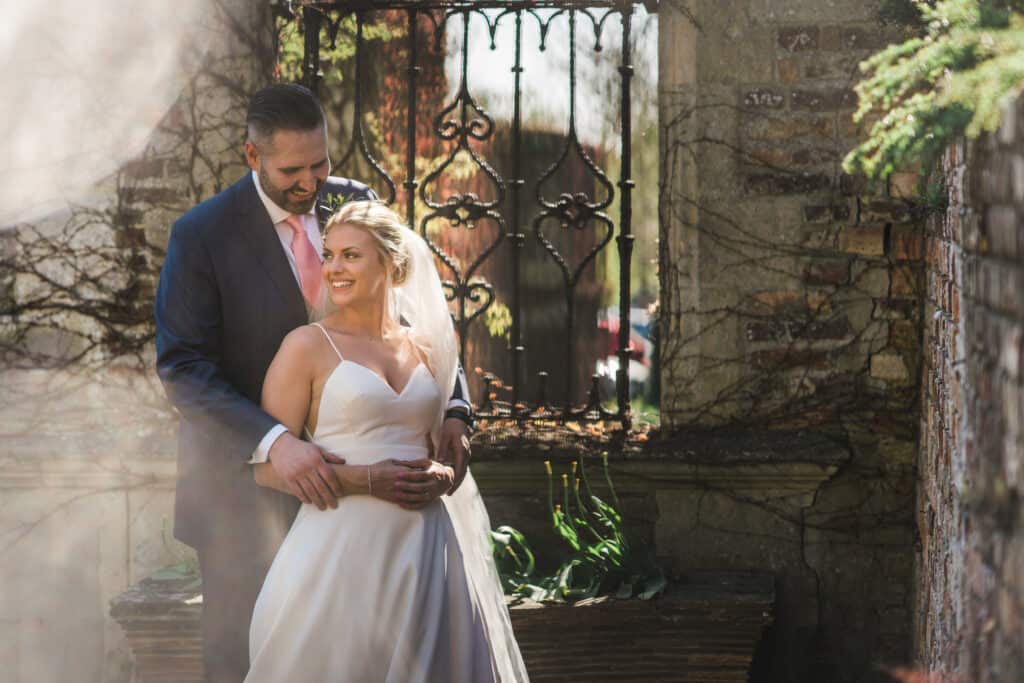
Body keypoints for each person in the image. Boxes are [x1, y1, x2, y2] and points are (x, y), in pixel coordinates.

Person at [154, 83, 475, 682]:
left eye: (321, 163)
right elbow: (183, 368)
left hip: (371, 520)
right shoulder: (201, 234)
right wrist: (276, 440)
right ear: (252, 157)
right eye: (292, 170)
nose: (311, 183)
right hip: (241, 502)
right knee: (250, 662)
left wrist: (455, 409)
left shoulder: (352, 202)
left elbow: (413, 323)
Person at [244, 201, 528, 682]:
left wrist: (443, 475)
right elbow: (266, 467)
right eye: (329, 254)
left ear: (391, 265)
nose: (334, 267)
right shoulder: (305, 347)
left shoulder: (427, 347)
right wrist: (365, 479)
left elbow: (445, 447)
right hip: (339, 553)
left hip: (428, 552)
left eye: (351, 255)